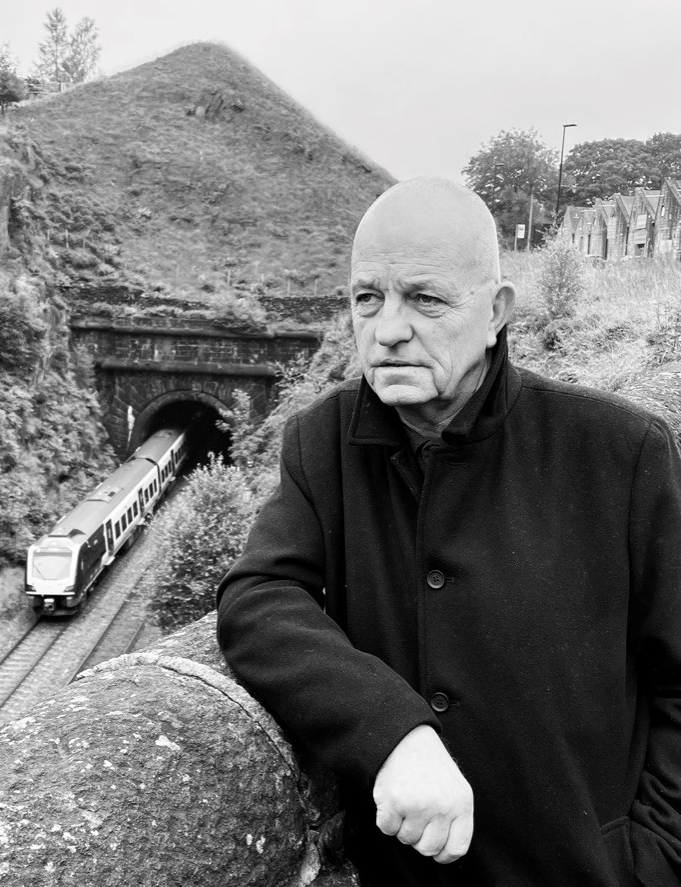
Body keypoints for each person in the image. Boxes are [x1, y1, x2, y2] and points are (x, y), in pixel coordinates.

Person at [216, 176, 681, 886]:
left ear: (496, 312)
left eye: (424, 299)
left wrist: (651, 861)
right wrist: (390, 730)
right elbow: (257, 598)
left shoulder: (621, 453)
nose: (387, 330)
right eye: (367, 298)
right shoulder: (322, 442)